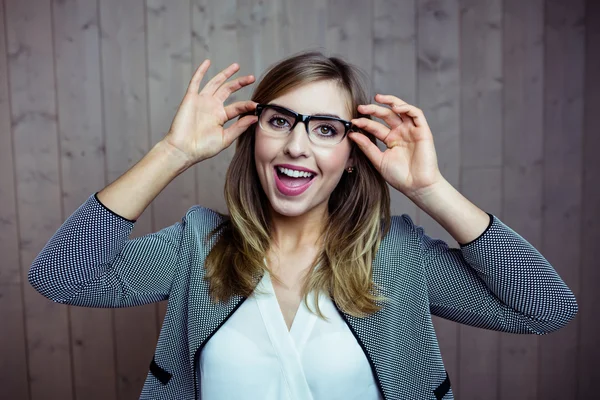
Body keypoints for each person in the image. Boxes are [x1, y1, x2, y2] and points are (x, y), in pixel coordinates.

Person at [29, 51, 578, 400]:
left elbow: (547, 308)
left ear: (352, 153)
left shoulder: (399, 260)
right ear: (253, 133)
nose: (296, 144)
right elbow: (61, 277)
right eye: (279, 121)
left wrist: (429, 190)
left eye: (324, 129)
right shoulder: (198, 248)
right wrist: (172, 153)